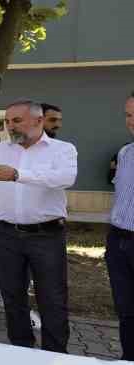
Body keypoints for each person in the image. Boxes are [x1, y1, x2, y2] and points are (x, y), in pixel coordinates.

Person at [0, 99, 77, 353]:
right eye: (7, 121)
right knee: (12, 298)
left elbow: (64, 178)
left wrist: (18, 175)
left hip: (46, 235)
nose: (10, 126)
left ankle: (55, 355)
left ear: (39, 121)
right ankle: (21, 352)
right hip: (5, 234)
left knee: (52, 299)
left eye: (16, 120)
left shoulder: (63, 150)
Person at [104, 93, 134, 361]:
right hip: (118, 243)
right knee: (126, 311)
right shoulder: (125, 153)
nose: (131, 121)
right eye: (128, 114)